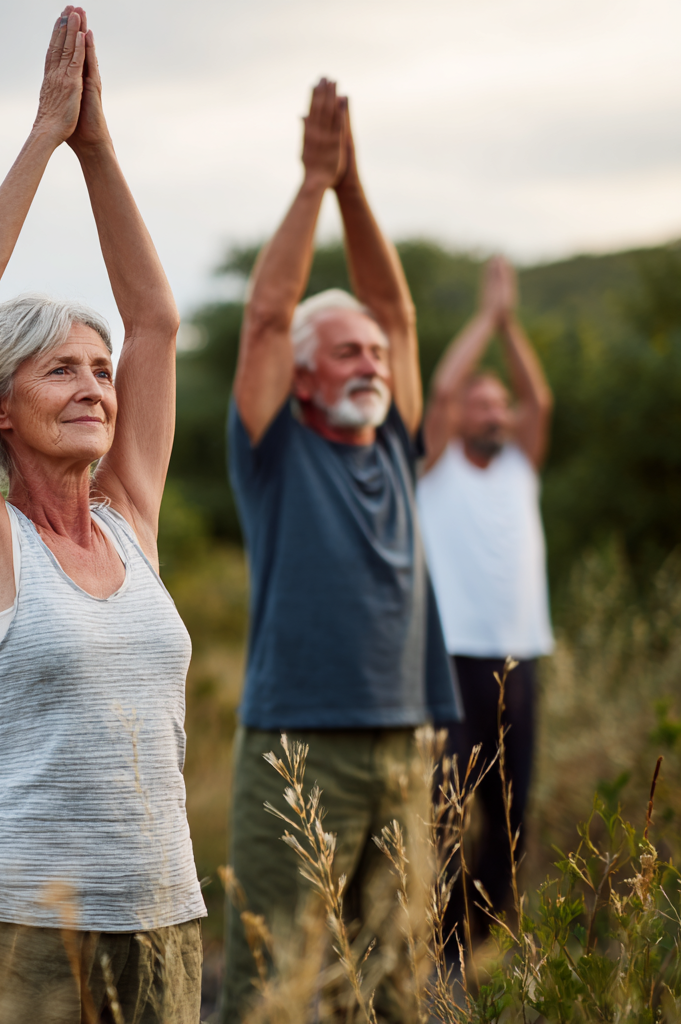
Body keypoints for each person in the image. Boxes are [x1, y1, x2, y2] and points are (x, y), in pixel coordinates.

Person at [0, 9, 205, 1022]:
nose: (94, 385)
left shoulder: (129, 520)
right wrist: (46, 132)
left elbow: (155, 324)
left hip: (162, 912)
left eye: (98, 370)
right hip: (14, 923)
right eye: (59, 370)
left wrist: (101, 146)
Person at [222, 80, 461, 1023]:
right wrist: (314, 184)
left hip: (408, 732)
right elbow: (266, 317)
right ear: (306, 375)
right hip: (299, 738)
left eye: (376, 354)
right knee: (278, 976)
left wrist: (356, 186)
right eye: (349, 352)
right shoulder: (276, 450)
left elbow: (398, 313)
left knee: (397, 979)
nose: (373, 361)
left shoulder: (399, 442)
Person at [418, 255, 554, 949]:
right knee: (448, 802)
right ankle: (437, 940)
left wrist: (511, 324)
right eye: (483, 404)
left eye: (500, 404)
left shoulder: (520, 463)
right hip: (450, 656)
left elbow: (542, 400)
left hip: (519, 654)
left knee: (512, 807)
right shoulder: (435, 466)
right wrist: (486, 317)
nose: (495, 411)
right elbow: (440, 390)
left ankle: (482, 936)